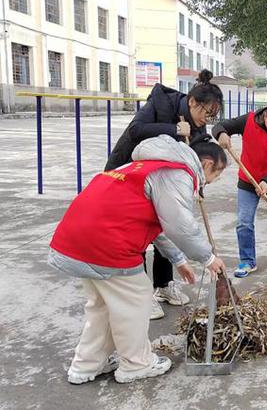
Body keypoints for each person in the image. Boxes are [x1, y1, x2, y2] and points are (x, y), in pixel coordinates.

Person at [48, 134, 227, 384]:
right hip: (107, 243)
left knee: (103, 306)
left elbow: (160, 224)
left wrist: (178, 259)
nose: (211, 181)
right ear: (207, 164)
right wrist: (207, 258)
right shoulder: (177, 173)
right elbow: (178, 224)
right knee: (136, 298)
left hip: (77, 237)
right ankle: (136, 364)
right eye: (216, 175)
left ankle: (87, 364)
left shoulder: (144, 166)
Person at [105, 69, 223, 320]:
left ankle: (163, 284)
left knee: (165, 225)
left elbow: (197, 158)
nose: (207, 119)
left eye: (212, 115)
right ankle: (142, 294)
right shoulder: (160, 100)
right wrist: (173, 128)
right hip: (131, 175)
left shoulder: (199, 127)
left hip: (164, 181)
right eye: (205, 112)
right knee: (138, 233)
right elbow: (136, 131)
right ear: (192, 101)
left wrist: (198, 185)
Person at [213, 101, 267, 277]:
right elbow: (219, 126)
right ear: (266, 116)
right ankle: (247, 261)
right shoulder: (249, 120)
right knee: (244, 222)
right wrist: (221, 134)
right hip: (247, 181)